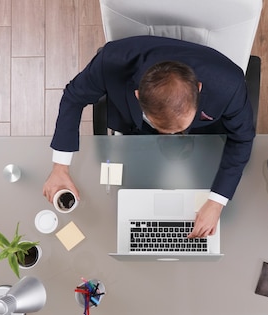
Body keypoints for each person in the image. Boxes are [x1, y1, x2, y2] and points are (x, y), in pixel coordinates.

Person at [43, 36, 255, 238]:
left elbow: (242, 138)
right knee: (123, 207)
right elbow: (73, 97)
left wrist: (217, 202)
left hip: (200, 137)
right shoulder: (110, 61)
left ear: (198, 89)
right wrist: (59, 167)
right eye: (164, 128)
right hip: (137, 131)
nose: (171, 136)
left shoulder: (229, 83)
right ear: (138, 95)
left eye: (177, 127)